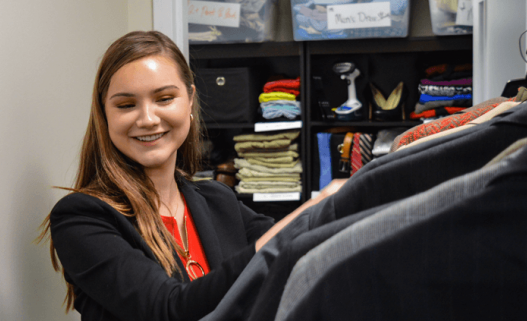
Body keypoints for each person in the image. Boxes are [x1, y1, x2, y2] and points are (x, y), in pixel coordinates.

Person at [40, 31, 344, 321]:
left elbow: (300, 253)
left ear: (189, 101)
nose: (148, 119)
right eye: (126, 105)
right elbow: (169, 310)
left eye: (164, 98)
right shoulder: (82, 218)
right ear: (105, 114)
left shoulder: (217, 200)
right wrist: (318, 205)